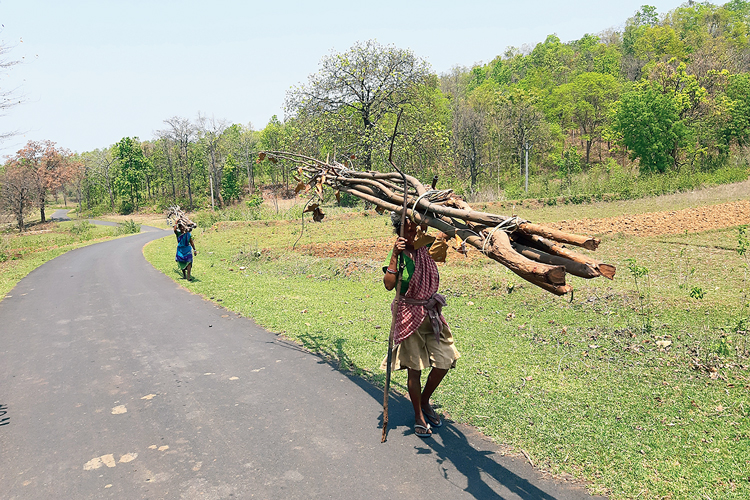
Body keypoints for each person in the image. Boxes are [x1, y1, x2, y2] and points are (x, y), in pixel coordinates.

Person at [381, 212, 459, 438]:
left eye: (417, 228)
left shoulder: (426, 247)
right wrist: (396, 254)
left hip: (430, 312)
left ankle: (424, 400)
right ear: (400, 233)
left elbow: (446, 234)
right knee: (414, 369)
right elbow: (388, 285)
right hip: (408, 313)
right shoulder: (399, 253)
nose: (414, 232)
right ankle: (418, 414)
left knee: (444, 360)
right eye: (409, 230)